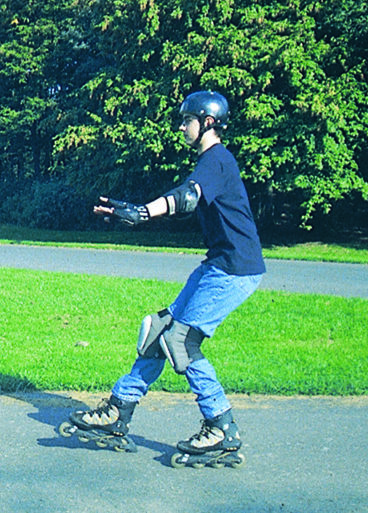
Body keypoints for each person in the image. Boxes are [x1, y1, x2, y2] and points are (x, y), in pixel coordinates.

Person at [66, 91, 265, 463]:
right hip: (218, 264)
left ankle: (221, 425)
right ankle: (119, 409)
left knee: (181, 342)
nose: (180, 126)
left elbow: (187, 197)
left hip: (235, 270)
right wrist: (133, 213)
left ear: (207, 122)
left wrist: (143, 212)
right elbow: (188, 201)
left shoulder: (217, 160)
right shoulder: (212, 161)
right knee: (159, 330)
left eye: (186, 120)